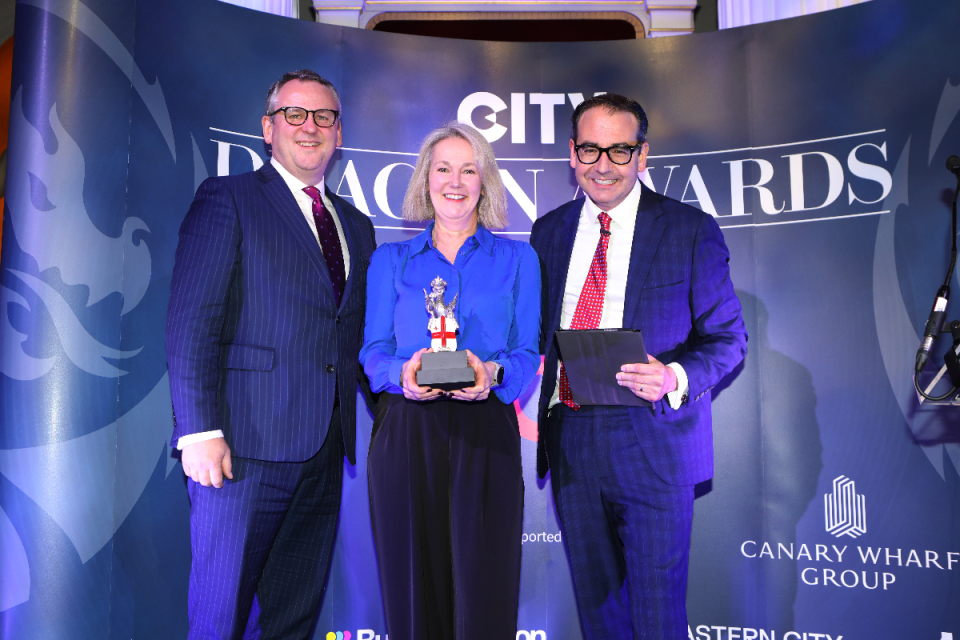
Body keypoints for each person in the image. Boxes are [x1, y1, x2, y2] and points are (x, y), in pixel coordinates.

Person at [166, 69, 376, 640]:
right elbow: (191, 323)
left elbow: (353, 340)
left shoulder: (355, 225)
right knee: (219, 614)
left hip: (324, 452)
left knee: (294, 615)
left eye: (324, 116)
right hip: (241, 450)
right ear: (268, 127)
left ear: (338, 132)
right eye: (295, 115)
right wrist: (199, 431)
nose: (310, 127)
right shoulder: (227, 198)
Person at [529, 94, 747, 640]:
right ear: (572, 154)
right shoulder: (548, 232)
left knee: (657, 615)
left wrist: (675, 377)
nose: (604, 164)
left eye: (620, 150)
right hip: (573, 437)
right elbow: (531, 333)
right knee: (599, 613)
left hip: (653, 441)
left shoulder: (689, 229)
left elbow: (728, 338)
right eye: (590, 149)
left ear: (643, 155)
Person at [359, 122, 541, 640]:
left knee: (485, 589)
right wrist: (403, 373)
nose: (455, 181)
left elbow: (528, 351)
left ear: (485, 182)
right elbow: (371, 353)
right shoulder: (389, 261)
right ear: (425, 179)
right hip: (405, 431)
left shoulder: (519, 259)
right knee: (414, 590)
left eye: (469, 169)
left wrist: (492, 374)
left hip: (486, 431)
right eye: (443, 168)